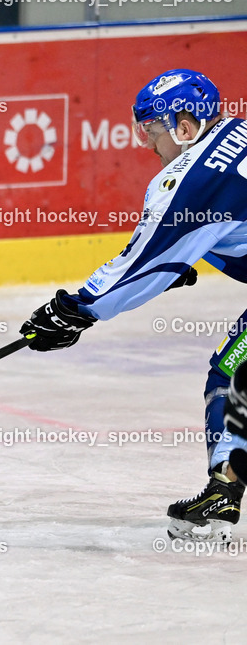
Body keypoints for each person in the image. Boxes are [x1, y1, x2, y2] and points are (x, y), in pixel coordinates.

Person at [21, 68, 247, 543]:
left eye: (154, 130)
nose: (148, 144)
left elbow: (139, 266)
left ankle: (225, 488)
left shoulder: (192, 178)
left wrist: (74, 310)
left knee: (231, 377)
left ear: (186, 127)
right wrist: (182, 257)